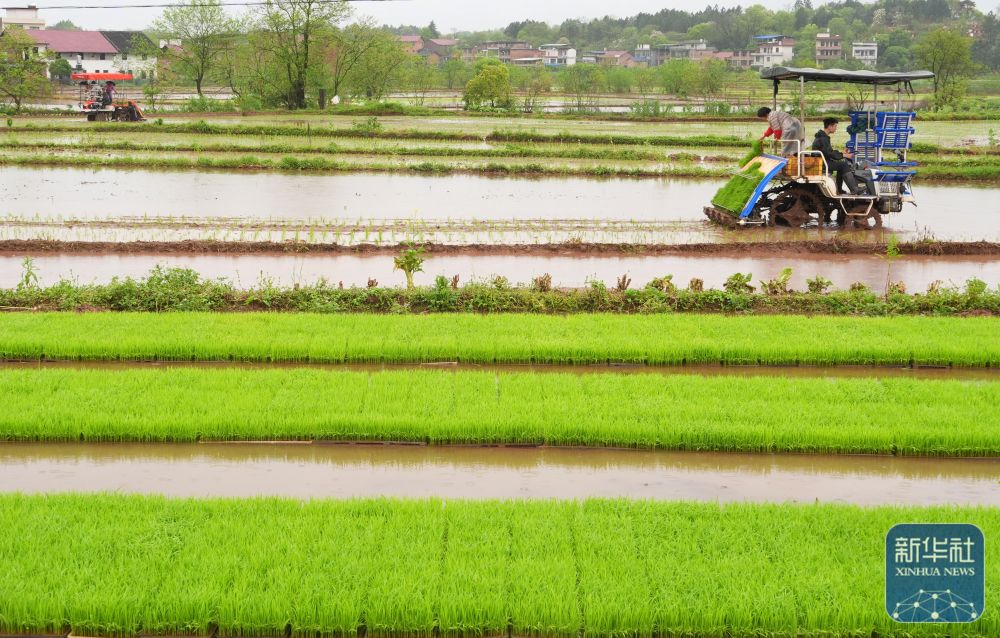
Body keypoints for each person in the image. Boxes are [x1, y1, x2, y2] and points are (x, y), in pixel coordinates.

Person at [812, 117, 876, 196]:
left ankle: (839, 189)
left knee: (841, 164)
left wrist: (842, 154)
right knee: (843, 165)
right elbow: (830, 153)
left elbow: (828, 152)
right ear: (829, 126)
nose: (836, 128)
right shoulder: (823, 138)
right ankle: (854, 189)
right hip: (823, 163)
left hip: (823, 161)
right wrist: (844, 155)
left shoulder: (822, 137)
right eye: (835, 126)